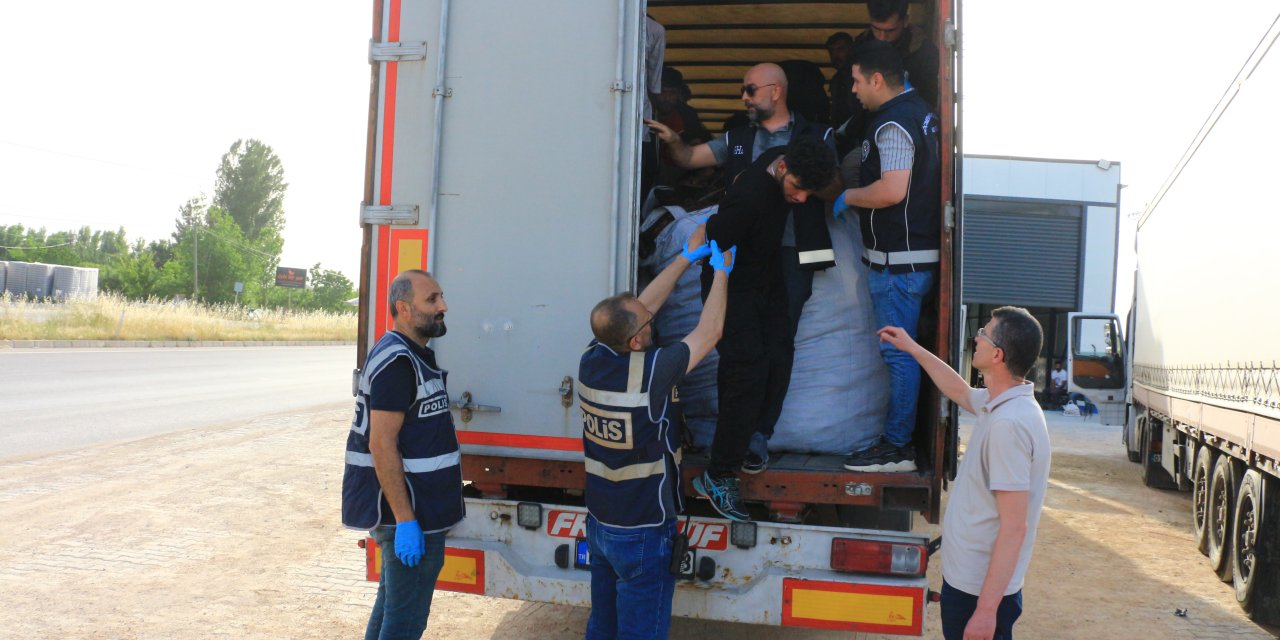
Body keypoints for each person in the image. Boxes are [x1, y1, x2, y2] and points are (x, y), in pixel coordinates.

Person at [646, 62, 839, 472]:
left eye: (750, 90)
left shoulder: (816, 136)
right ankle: (729, 441)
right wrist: (674, 142)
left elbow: (833, 184)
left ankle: (758, 434)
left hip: (794, 251)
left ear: (775, 91)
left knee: (779, 343)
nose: (744, 98)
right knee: (743, 353)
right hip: (745, 256)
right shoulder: (739, 138)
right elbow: (690, 159)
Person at [579, 237, 734, 640]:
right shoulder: (650, 373)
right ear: (635, 341)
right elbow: (710, 331)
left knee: (602, 627)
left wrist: (686, 256)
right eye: (647, 324)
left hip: (600, 524)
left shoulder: (593, 359)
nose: (653, 319)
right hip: (644, 531)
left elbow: (639, 311)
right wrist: (722, 271)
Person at [878, 306, 1050, 640]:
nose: (977, 338)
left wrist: (986, 612)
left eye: (983, 333)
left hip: (979, 593)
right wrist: (913, 348)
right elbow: (958, 390)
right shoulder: (1000, 402)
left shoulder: (1008, 425)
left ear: (997, 354)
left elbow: (1015, 527)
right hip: (973, 584)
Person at [690, 136, 836, 522]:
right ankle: (719, 475)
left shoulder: (779, 158)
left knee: (778, 350)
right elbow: (712, 237)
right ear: (784, 170)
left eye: (809, 192)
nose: (802, 199)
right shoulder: (750, 199)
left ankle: (753, 439)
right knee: (746, 372)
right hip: (731, 289)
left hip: (765, 282)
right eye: (798, 188)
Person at [833, 40, 941, 473]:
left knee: (899, 354)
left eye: (857, 80)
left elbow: (893, 190)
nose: (854, 90)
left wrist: (848, 196)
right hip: (912, 256)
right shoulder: (924, 113)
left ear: (877, 79)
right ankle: (898, 440)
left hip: (900, 261)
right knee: (903, 352)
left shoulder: (892, 124)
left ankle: (896, 445)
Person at [342, 270, 463, 640]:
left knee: (392, 611)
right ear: (403, 308)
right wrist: (407, 521)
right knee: (405, 623)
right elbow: (381, 444)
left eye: (441, 297)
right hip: (409, 514)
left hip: (415, 511)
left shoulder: (410, 354)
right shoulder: (399, 362)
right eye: (432, 300)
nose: (443, 306)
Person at [854, 0, 940, 109]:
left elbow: (928, 98)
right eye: (876, 29)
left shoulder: (924, 51)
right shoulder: (861, 46)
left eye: (890, 31)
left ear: (905, 21)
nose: (882, 37)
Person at [825, 32, 856, 129]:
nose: (835, 55)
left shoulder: (862, 76)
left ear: (851, 49)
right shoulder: (836, 79)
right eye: (831, 51)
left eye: (840, 49)